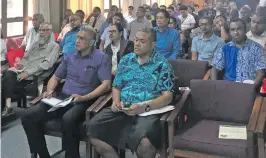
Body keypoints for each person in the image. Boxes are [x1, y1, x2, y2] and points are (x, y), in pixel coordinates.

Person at [21, 26, 111, 158]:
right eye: (77, 38)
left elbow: (106, 84)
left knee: (68, 118)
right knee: (27, 116)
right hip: (62, 98)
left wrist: (85, 97)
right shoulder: (70, 56)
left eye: (82, 38)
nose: (77, 41)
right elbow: (55, 78)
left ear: (91, 42)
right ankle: (43, 154)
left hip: (84, 100)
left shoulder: (101, 57)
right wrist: (50, 90)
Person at [87, 27, 175, 158]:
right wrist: (116, 101)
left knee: (145, 143)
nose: (137, 44)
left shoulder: (162, 64)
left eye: (142, 41)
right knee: (92, 128)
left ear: (153, 44)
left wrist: (144, 107)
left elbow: (167, 97)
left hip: (147, 112)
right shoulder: (126, 60)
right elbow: (117, 86)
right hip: (123, 109)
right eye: (136, 40)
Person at [2, 23, 60, 117]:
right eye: (40, 30)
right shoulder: (35, 43)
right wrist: (20, 63)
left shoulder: (54, 47)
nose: (41, 32)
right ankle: (7, 107)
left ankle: (8, 107)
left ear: (50, 31)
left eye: (45, 30)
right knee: (6, 77)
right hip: (23, 70)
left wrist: (27, 72)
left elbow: (46, 65)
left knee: (8, 76)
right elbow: (26, 58)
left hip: (36, 73)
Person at [211, 19, 266, 86]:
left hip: (249, 87)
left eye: (239, 29)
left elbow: (260, 73)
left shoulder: (257, 48)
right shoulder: (225, 48)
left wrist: (251, 88)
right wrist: (214, 85)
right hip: (228, 87)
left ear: (245, 30)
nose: (236, 32)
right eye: (232, 30)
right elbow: (215, 68)